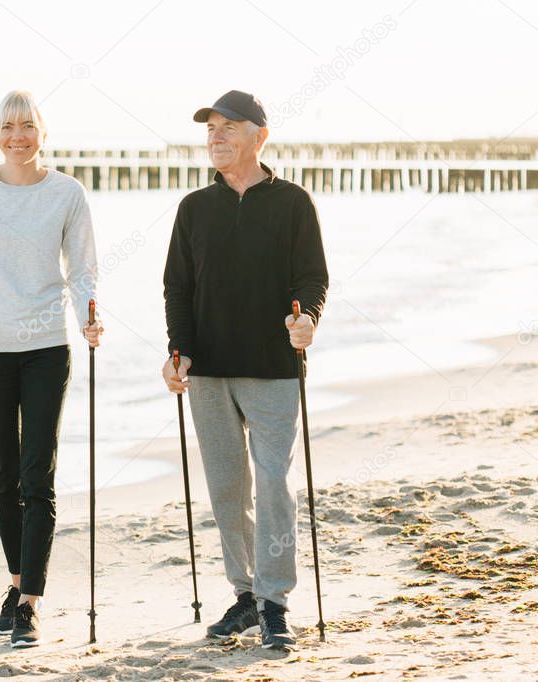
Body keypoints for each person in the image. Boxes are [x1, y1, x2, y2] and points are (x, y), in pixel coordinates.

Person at [161, 90, 328, 651]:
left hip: (274, 367)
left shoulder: (293, 203)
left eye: (229, 127)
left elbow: (313, 279)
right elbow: (177, 287)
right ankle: (246, 596)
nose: (216, 137)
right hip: (208, 371)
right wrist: (177, 348)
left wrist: (307, 321)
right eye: (210, 128)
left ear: (259, 135)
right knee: (228, 489)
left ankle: (275, 600)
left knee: (275, 482)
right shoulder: (193, 209)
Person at [0, 89, 104, 648]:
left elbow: (83, 270)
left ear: (43, 133)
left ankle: (29, 601)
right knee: (3, 477)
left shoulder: (66, 194)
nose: (18, 136)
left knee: (39, 476)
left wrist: (89, 316)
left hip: (44, 349)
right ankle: (14, 585)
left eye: (28, 126)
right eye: (9, 126)